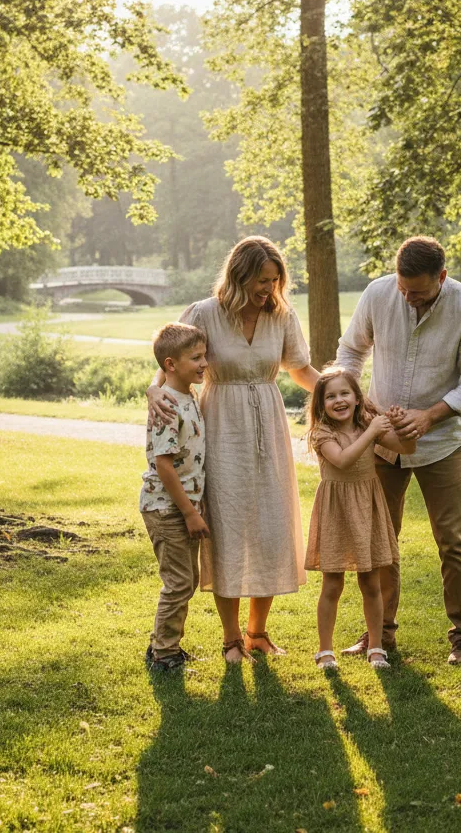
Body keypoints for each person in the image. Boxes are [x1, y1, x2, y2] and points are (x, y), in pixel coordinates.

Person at [147, 237, 319, 664]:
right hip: (219, 427)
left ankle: (258, 632)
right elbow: (168, 363)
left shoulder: (281, 314)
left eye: (275, 281)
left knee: (269, 526)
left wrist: (344, 392)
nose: (268, 289)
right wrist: (152, 391)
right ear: (240, 274)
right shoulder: (204, 313)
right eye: (262, 280)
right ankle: (230, 639)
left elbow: (299, 369)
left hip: (269, 428)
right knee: (226, 526)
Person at [336, 236, 461, 665]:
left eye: (419, 292)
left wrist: (429, 416)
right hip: (381, 440)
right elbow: (351, 350)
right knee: (381, 540)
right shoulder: (379, 293)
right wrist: (357, 400)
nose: (409, 298)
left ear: (442, 277)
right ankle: (378, 635)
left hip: (441, 442)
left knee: (453, 540)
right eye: (404, 290)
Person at [305, 368, 416, 671]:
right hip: (337, 512)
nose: (338, 400)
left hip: (368, 507)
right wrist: (372, 432)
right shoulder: (323, 433)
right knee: (332, 584)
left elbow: (407, 449)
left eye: (344, 394)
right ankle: (325, 651)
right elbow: (342, 460)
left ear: (357, 399)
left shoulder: (368, 425)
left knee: (371, 583)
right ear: (320, 404)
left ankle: (377, 647)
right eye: (330, 396)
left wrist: (399, 426)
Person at [139, 323, 210, 673]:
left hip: (181, 507)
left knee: (187, 581)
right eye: (195, 358)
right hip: (167, 508)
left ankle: (162, 646)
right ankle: (164, 655)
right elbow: (164, 465)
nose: (204, 363)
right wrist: (190, 513)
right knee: (180, 582)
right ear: (171, 364)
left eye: (204, 355)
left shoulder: (186, 394)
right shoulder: (168, 406)